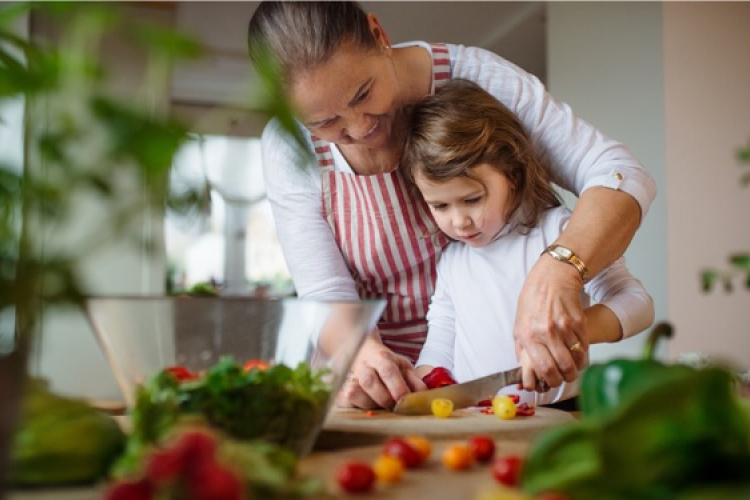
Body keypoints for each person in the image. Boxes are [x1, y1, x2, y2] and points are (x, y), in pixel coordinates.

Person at [247, 1, 657, 409]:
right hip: (399, 385)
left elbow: (617, 172)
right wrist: (366, 356)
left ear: (379, 35)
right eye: (323, 123)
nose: (359, 127)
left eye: (363, 93)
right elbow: (326, 290)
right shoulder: (288, 146)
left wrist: (560, 269)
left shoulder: (479, 79)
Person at [402, 79, 655, 406]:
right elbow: (441, 339)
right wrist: (424, 383)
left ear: (513, 176)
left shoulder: (561, 233)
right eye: (440, 206)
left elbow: (637, 302)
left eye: (473, 199)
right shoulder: (452, 260)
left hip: (560, 413)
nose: (459, 221)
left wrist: (570, 334)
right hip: (476, 417)